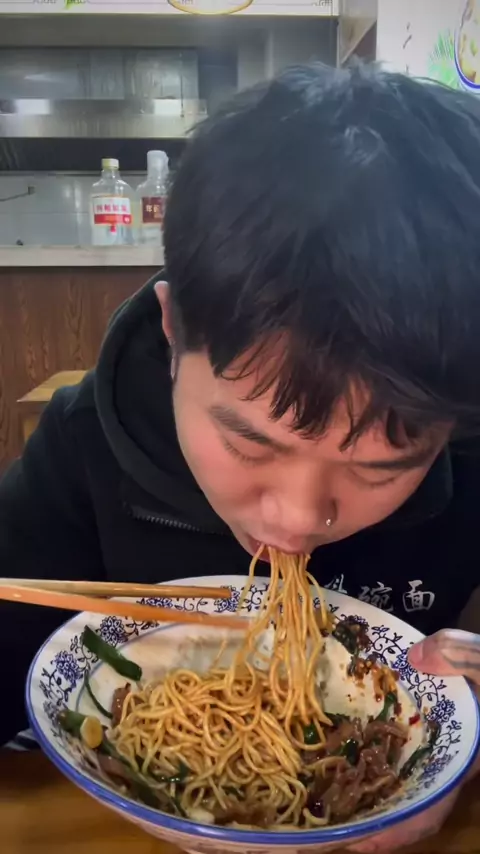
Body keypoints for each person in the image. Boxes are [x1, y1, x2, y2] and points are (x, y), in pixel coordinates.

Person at [2, 61, 480, 850]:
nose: (297, 518)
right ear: (171, 331)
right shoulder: (84, 444)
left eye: (380, 467)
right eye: (249, 440)